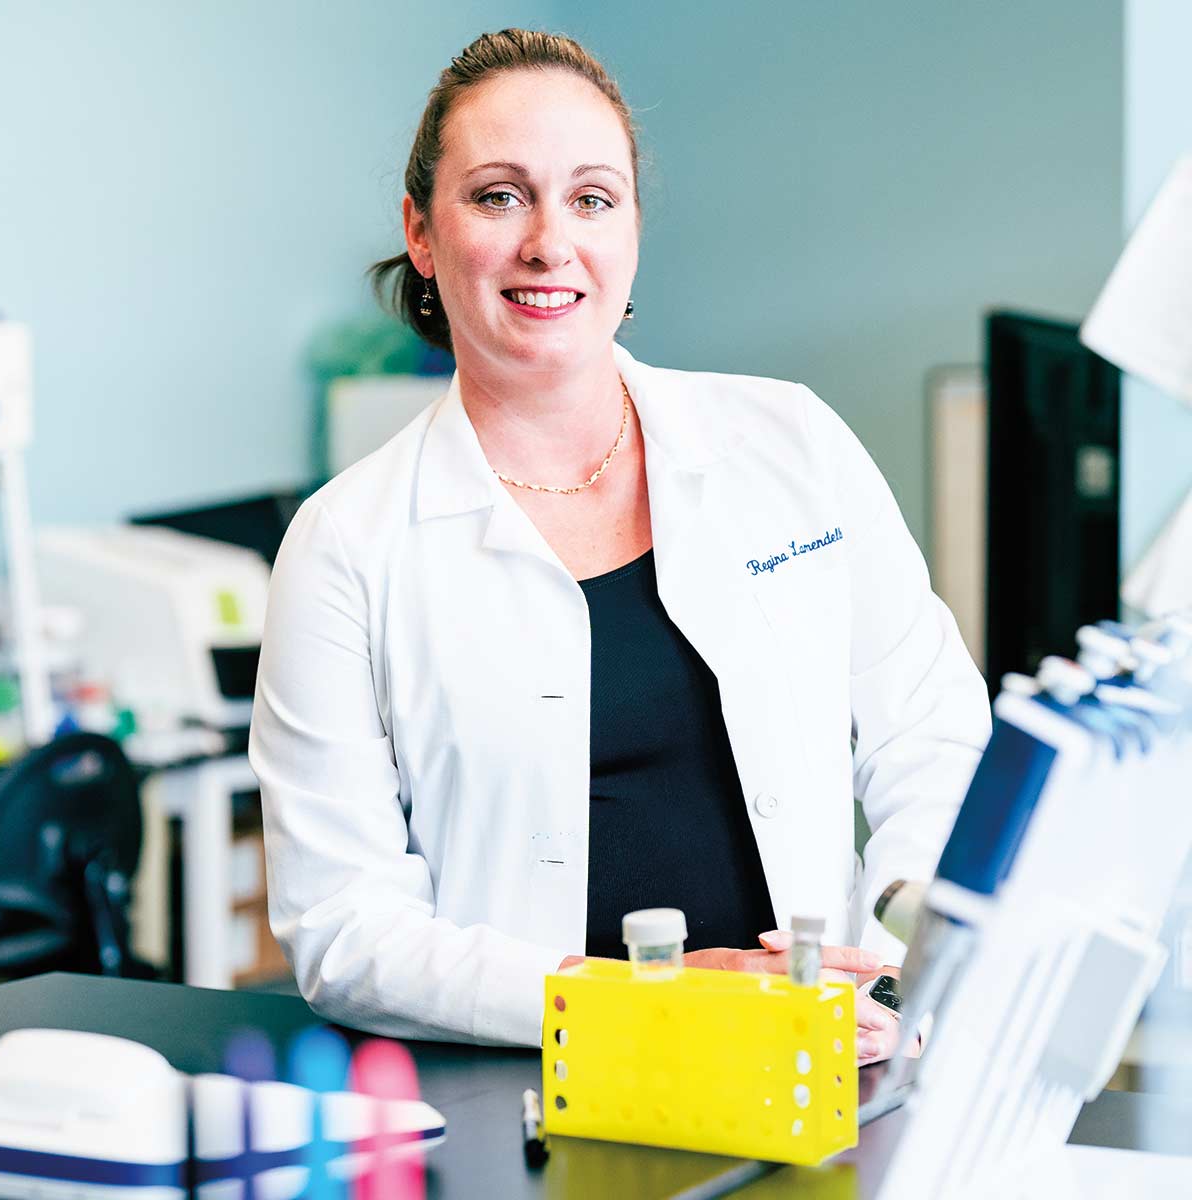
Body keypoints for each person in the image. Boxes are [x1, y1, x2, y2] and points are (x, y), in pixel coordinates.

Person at [250, 29, 991, 1056]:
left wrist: (901, 948)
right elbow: (344, 931)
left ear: (632, 227)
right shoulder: (344, 546)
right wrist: (641, 1004)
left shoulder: (792, 444)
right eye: (499, 195)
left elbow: (933, 736)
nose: (550, 241)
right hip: (531, 1097)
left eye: (592, 197)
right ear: (422, 232)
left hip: (830, 1067)